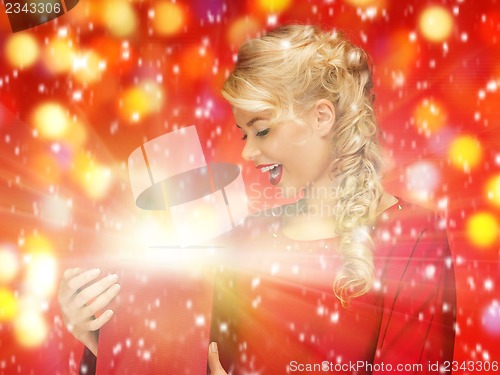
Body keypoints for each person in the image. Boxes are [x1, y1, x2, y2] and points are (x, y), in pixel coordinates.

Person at [58, 24, 456, 374]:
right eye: (243, 134)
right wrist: (98, 337)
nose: (247, 153)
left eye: (262, 131)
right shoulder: (242, 237)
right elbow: (180, 359)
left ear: (322, 117)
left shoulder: (413, 238)